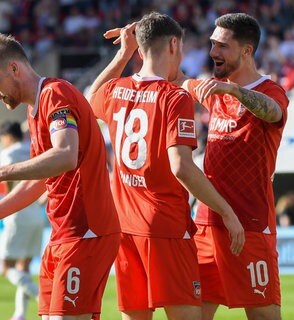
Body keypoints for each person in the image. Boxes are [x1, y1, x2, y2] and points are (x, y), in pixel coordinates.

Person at [86, 11, 244, 320]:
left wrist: (123, 53)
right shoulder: (174, 97)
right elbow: (181, 167)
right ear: (173, 44)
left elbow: (91, 101)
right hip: (165, 226)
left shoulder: (116, 92)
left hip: (125, 226)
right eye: (182, 48)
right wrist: (227, 211)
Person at [177, 13, 290, 320]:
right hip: (207, 222)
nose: (214, 52)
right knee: (193, 314)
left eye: (222, 46)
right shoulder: (212, 87)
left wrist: (235, 91)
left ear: (246, 51)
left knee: (264, 315)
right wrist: (134, 48)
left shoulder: (269, 90)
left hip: (251, 223)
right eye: (212, 44)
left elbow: (274, 112)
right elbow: (173, 79)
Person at [0, 33, 120, 320]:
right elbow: (41, 179)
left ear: (14, 69)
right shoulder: (34, 109)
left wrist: (2, 171)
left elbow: (65, 154)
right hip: (61, 233)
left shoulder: (55, 94)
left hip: (86, 231)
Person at [0, 121, 44, 320]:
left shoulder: (7, 155)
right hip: (36, 216)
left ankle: (41, 296)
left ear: (7, 137)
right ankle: (20, 314)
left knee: (5, 267)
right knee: (24, 266)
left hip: (17, 216)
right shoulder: (33, 149)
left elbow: (7, 188)